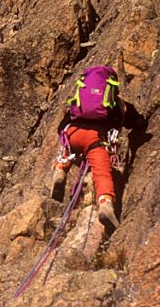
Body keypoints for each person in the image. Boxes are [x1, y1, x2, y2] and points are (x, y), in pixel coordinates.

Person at [51, 64, 147, 230]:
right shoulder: (118, 104)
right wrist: (141, 122)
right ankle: (105, 204)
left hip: (73, 134)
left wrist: (67, 137)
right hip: (95, 140)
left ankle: (60, 170)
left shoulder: (79, 101)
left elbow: (61, 128)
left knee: (65, 150)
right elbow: (136, 121)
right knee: (102, 174)